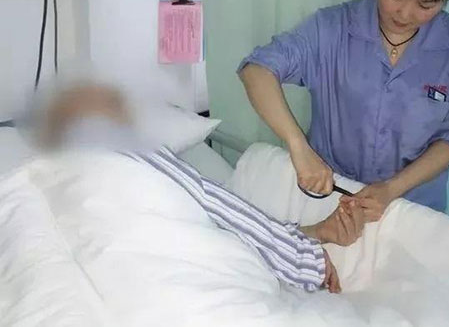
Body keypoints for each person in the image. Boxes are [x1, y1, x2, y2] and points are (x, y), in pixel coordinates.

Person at [238, 0, 449, 221]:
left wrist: (391, 189)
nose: (405, 13)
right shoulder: (332, 28)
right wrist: (299, 147)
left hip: (411, 210)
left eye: (426, 5)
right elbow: (257, 70)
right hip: (329, 198)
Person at [36, 82, 366, 294]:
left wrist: (308, 235)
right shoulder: (124, 151)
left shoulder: (51, 181)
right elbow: (212, 205)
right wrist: (307, 260)